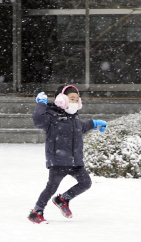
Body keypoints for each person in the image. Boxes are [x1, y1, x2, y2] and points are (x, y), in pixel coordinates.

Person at [28, 85, 107, 224]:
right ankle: (36, 212)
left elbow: (80, 127)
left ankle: (63, 199)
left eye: (77, 99)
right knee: (51, 187)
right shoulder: (51, 117)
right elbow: (38, 120)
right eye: (71, 99)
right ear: (62, 99)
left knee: (85, 183)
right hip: (58, 160)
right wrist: (41, 104)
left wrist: (94, 123)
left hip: (74, 161)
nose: (75, 102)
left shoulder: (73, 117)